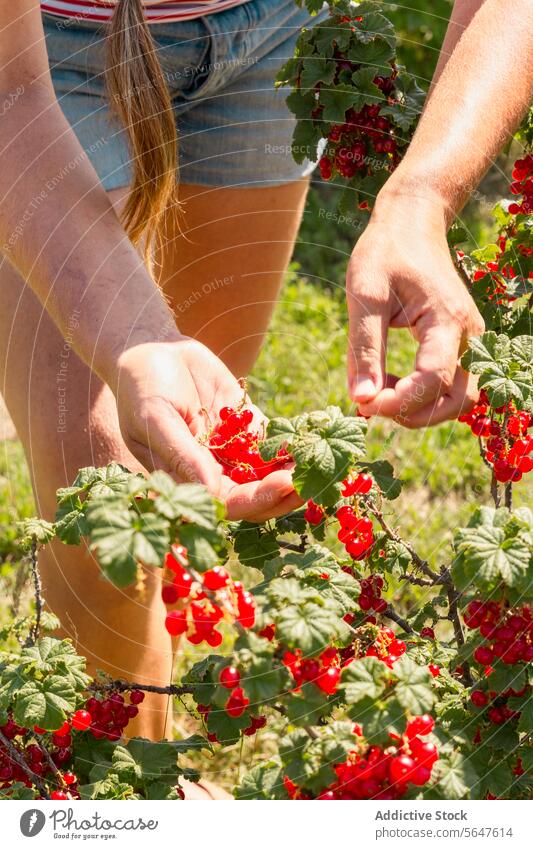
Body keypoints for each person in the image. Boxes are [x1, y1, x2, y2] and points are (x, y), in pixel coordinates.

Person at [0, 0, 531, 755]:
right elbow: (7, 93)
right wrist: (137, 335)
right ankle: (128, 805)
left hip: (265, 26)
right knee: (101, 491)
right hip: (47, 46)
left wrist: (422, 196)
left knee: (190, 438)